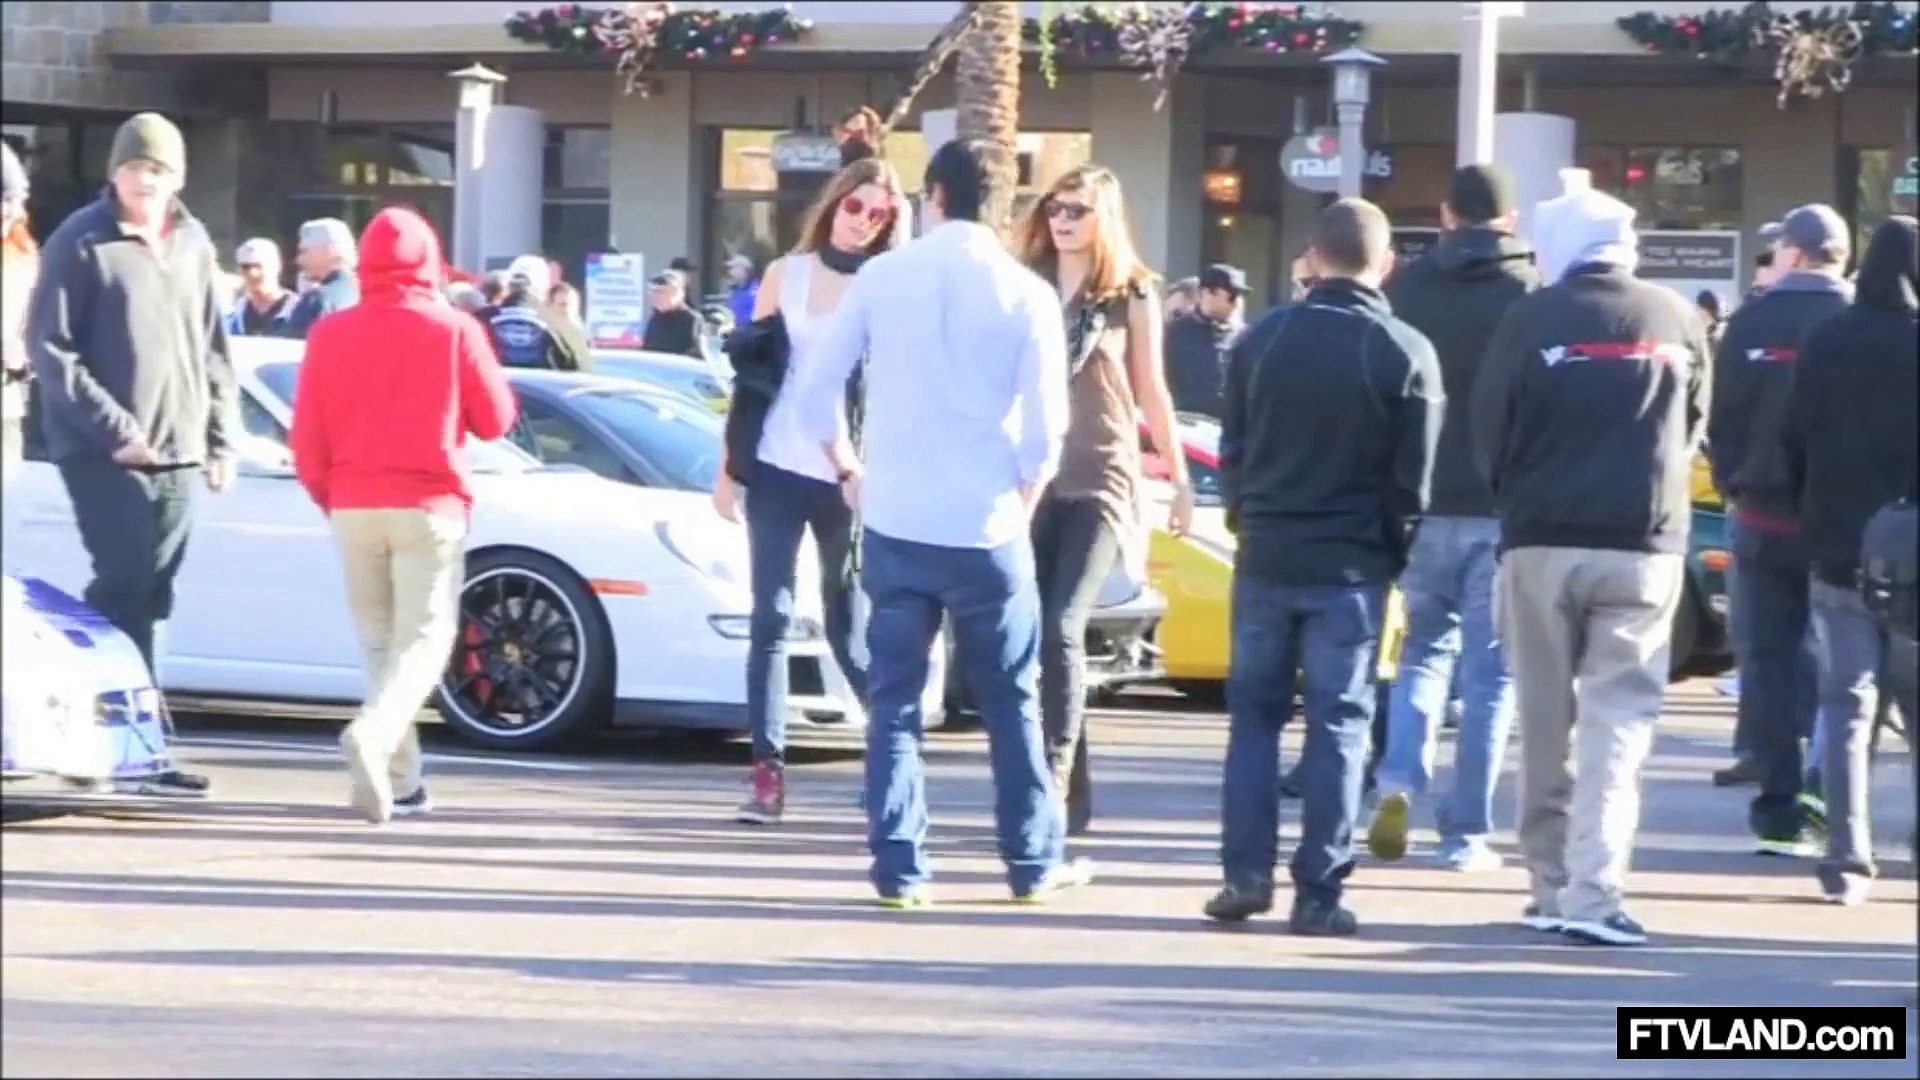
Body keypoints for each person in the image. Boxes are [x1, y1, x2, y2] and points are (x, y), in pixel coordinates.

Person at [788, 138, 1086, 907]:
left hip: (897, 518)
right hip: (986, 525)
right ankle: (1030, 863)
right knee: (1012, 701)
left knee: (893, 703)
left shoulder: (884, 278)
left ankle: (901, 869)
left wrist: (847, 468)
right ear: (1007, 204)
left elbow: (816, 386)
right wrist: (1021, 502)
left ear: (934, 196)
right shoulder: (1028, 295)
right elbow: (1047, 432)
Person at [1471, 179, 1711, 947]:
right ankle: (1595, 890)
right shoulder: (1676, 317)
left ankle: (1545, 883)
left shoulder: (1528, 317)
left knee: (1545, 717)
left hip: (1540, 541)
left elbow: (1489, 429)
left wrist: (1515, 503)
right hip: (1644, 545)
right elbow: (1695, 424)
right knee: (1619, 723)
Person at [1208, 198, 1442, 936]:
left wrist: (1248, 519)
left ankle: (1244, 874)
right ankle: (1320, 890)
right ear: (1385, 263)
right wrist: (1391, 551)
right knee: (1339, 724)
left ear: (1312, 258)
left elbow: (1233, 451)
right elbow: (1413, 484)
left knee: (1253, 722)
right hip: (1351, 566)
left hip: (1269, 554)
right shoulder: (1403, 350)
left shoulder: (1261, 340)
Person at [25, 112, 242, 794]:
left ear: (177, 177)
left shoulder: (194, 241)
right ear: (114, 172)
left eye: (158, 170)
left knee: (154, 592)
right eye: (134, 168)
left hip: (178, 445)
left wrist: (219, 437)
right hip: (102, 451)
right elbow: (50, 350)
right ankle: (114, 739)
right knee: (121, 583)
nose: (145, 181)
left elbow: (213, 345)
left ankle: (142, 748)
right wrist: (115, 429)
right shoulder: (80, 241)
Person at [288, 207, 518, 825]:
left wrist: (331, 495)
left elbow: (306, 437)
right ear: (430, 261)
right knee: (426, 638)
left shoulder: (330, 333)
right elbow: (497, 418)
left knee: (379, 642)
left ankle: (403, 780)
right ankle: (375, 733)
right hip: (430, 504)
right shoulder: (454, 329)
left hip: (353, 503)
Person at [713, 157, 906, 825]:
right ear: (834, 204)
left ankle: (888, 760)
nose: (863, 222)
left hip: (846, 476)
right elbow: (752, 378)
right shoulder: (784, 275)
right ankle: (766, 778)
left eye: (880, 215)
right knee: (769, 618)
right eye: (856, 207)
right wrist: (728, 469)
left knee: (847, 620)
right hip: (774, 464)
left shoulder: (887, 285)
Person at [1369, 164, 1540, 873]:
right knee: (1491, 674)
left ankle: (1398, 781)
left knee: (1421, 654)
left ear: (1444, 215)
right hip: (1501, 508)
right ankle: (1465, 832)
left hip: (1424, 500)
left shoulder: (1405, 288)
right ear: (1512, 219)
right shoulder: (1530, 295)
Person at [1016, 164, 1193, 837]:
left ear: (1104, 218)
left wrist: (1175, 478)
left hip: (1102, 476)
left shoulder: (1132, 294)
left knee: (1063, 623)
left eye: (1078, 210)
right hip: (1032, 477)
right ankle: (1072, 789)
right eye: (1056, 207)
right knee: (1032, 632)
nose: (1063, 220)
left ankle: (1051, 785)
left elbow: (1153, 391)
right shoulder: (1025, 283)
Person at [1707, 204, 1854, 856]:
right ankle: (1830, 790)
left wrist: (1736, 480)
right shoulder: (1862, 324)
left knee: (1766, 663)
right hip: (1843, 524)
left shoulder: (1750, 323)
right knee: (1849, 665)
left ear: (1793, 254)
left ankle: (1776, 808)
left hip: (1762, 519)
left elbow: (1722, 417)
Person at [1781, 215, 1918, 906]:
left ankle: (1847, 857)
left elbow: (1792, 439)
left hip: (1837, 549)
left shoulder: (1825, 339)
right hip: (1915, 558)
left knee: (1845, 704)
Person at [1162, 263, 1247, 419]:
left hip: (1226, 428)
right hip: (1184, 426)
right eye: (1232, 295)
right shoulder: (1173, 332)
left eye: (1240, 296)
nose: (1236, 302)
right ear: (1207, 293)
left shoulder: (1244, 337)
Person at [481, 255, 590, 372]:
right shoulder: (563, 329)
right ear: (545, 287)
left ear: (508, 285)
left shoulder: (478, 322)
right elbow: (584, 375)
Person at [3, 141, 34, 477]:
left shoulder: (23, 258)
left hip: (7, 406)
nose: (9, 211)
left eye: (15, 201)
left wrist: (24, 356)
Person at [284, 217, 360, 338]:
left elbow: (287, 348)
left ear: (330, 251)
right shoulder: (367, 293)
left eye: (304, 251)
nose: (299, 260)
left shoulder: (316, 300)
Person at [225, 237, 298, 337]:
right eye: (245, 267)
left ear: (277, 267)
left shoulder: (298, 312)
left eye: (258, 266)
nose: (252, 273)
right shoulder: (231, 317)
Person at [641, 269, 709, 360]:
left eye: (661, 292)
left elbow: (697, 355)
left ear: (679, 294)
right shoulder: (654, 319)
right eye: (653, 291)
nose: (656, 296)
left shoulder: (692, 320)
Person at [725, 253, 761, 329]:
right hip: (735, 333)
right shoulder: (734, 290)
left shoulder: (756, 290)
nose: (730, 272)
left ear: (743, 269)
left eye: (733, 268)